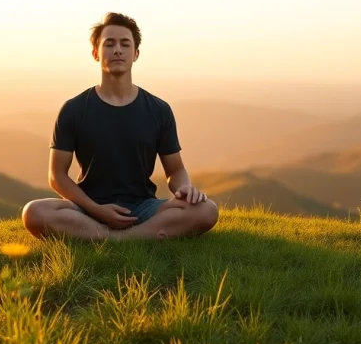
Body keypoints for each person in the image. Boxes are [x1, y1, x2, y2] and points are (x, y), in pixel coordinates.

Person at [22, 13, 219, 241]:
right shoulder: (74, 109)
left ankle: (116, 238)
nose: (117, 50)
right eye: (109, 44)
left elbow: (175, 170)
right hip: (88, 208)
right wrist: (96, 210)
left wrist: (184, 188)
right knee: (34, 212)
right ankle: (136, 237)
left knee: (207, 210)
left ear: (135, 54)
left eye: (125, 44)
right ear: (96, 53)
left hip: (144, 208)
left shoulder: (158, 109)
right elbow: (57, 175)